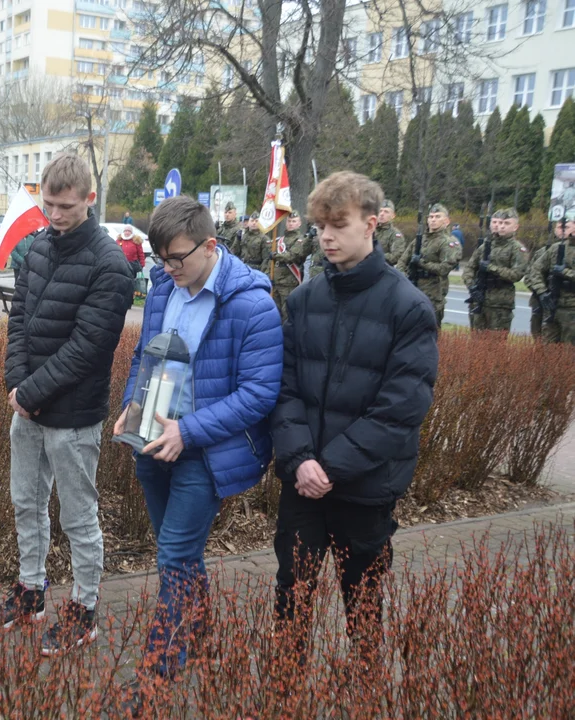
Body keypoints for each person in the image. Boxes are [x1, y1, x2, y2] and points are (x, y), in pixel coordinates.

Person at [115, 196, 282, 712]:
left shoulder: (252, 303)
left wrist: (188, 431)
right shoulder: (166, 288)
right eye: (161, 260)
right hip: (152, 443)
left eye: (178, 259)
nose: (168, 270)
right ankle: (202, 634)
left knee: (173, 555)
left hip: (207, 453)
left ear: (211, 246)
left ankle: (156, 673)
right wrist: (130, 405)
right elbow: (147, 353)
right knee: (180, 557)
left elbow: (258, 394)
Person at [272, 171, 438, 662]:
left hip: (365, 489)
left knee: (363, 602)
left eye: (338, 224)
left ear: (371, 224)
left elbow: (401, 407)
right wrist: (301, 460)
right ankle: (285, 689)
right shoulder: (303, 300)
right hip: (303, 485)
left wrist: (331, 467)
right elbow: (285, 389)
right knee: (292, 596)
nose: (325, 236)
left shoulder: (408, 308)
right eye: (320, 225)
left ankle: (363, 691)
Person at [0, 153, 132, 657]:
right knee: (26, 503)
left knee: (78, 518)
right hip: (27, 407)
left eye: (65, 206)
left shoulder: (110, 264)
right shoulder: (38, 248)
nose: (55, 214)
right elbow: (19, 319)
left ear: (89, 199)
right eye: (48, 204)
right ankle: (31, 592)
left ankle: (84, 610)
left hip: (73, 416)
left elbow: (88, 348)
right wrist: (15, 382)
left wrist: (30, 393)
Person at [462, 208, 529, 333]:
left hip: (499, 304)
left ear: (515, 227)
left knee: (495, 343)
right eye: (499, 223)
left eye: (506, 223)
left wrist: (491, 268)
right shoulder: (485, 246)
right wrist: (472, 287)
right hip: (479, 298)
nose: (501, 226)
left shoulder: (517, 249)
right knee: (476, 343)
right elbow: (469, 268)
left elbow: (517, 274)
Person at [397, 203, 461, 324]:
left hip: (433, 295)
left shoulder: (449, 243)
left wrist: (421, 263)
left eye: (437, 216)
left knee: (429, 333)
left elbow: (444, 268)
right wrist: (404, 278)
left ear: (446, 221)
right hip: (412, 291)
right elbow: (402, 261)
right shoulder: (419, 240)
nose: (433, 220)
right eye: (431, 217)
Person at [526, 219, 575, 344]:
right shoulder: (556, 248)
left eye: (567, 227)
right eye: (560, 227)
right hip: (552, 305)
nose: (563, 230)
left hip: (572, 308)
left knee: (569, 352)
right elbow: (535, 270)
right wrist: (542, 292)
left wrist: (564, 272)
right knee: (547, 349)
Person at [268, 211, 308, 321]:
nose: (291, 223)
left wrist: (275, 255)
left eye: (294, 221)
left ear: (299, 223)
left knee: (287, 314)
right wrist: (269, 276)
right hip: (276, 282)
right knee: (274, 313)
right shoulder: (280, 240)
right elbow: (270, 261)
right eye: (289, 221)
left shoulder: (301, 240)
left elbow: (292, 256)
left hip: (289, 282)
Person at [116, 226, 146, 302]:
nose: (127, 232)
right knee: (121, 282)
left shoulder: (136, 241)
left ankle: (129, 300)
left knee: (131, 283)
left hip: (133, 265)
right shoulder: (119, 241)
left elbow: (141, 254)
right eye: (125, 231)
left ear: (131, 232)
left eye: (128, 231)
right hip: (121, 264)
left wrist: (142, 264)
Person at [374, 200, 404, 265]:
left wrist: (376, 255)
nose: (382, 214)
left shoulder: (395, 234)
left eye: (386, 212)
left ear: (393, 215)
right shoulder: (371, 230)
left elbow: (395, 256)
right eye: (380, 211)